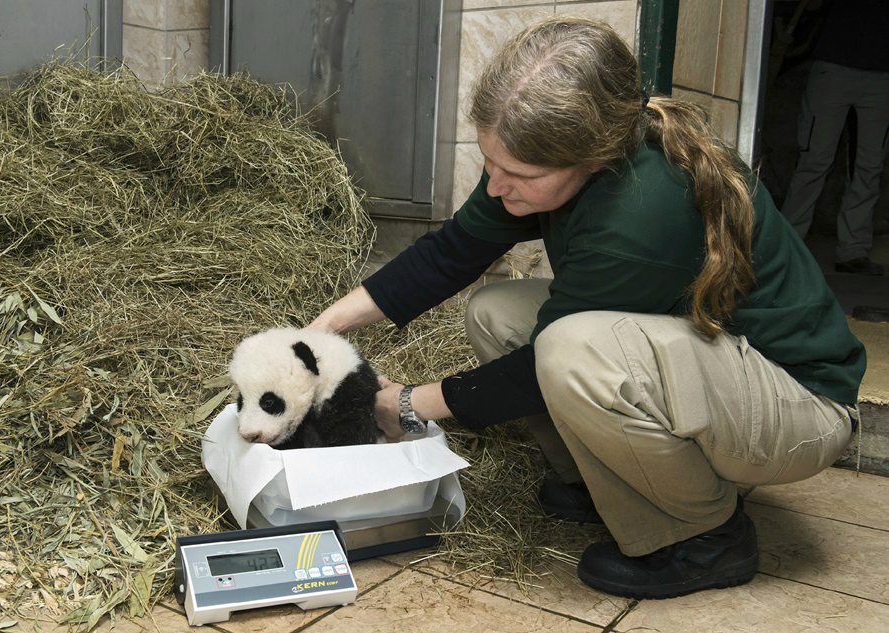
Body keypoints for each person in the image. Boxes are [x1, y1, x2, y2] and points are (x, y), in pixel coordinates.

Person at [308, 17, 865, 599]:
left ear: (594, 157)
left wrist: (403, 405)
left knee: (571, 352)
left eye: (519, 175)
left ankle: (707, 536)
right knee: (497, 311)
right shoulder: (545, 157)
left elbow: (537, 371)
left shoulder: (646, 204)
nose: (497, 187)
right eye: (489, 164)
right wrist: (325, 328)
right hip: (718, 362)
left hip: (796, 407)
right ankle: (599, 483)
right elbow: (454, 252)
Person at [780, 0, 889, 276]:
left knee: (869, 165)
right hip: (833, 66)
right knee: (814, 160)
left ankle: (853, 251)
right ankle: (787, 246)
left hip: (881, 75)